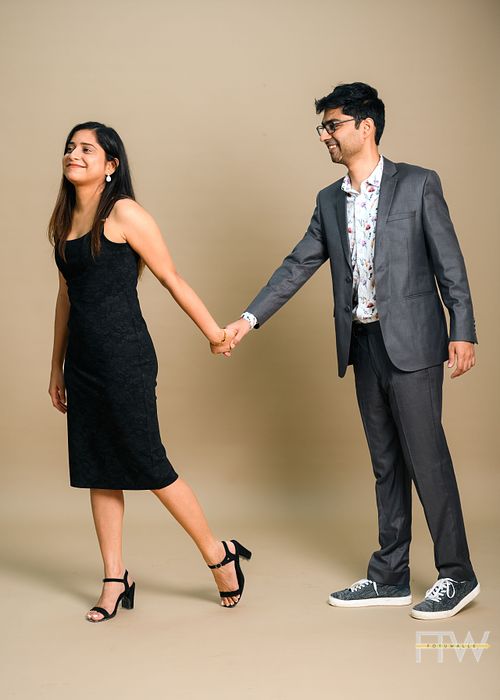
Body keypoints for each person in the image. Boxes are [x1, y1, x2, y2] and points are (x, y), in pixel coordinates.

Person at [215, 82, 479, 620]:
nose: (325, 136)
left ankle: (457, 574)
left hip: (415, 344)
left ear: (366, 126)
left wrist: (463, 329)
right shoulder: (329, 201)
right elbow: (297, 264)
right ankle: (390, 576)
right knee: (386, 464)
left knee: (427, 460)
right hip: (363, 343)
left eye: (332, 125)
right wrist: (248, 319)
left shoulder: (418, 184)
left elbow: (449, 262)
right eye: (323, 127)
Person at [48, 121, 251, 622]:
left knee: (149, 463)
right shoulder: (65, 219)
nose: (75, 154)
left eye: (87, 149)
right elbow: (66, 296)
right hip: (84, 363)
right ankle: (114, 578)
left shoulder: (124, 213)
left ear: (110, 164)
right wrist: (56, 366)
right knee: (98, 467)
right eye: (71, 147)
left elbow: (170, 276)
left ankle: (218, 555)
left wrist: (213, 332)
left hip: (125, 358)